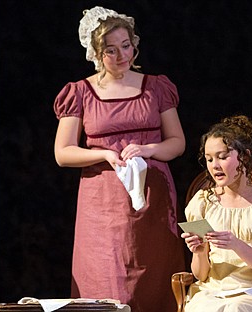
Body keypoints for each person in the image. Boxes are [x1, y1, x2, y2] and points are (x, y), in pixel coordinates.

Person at [53, 6, 185, 311]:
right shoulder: (80, 92)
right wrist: (104, 154)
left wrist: (148, 149)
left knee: (154, 275)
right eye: (111, 50)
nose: (122, 55)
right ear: (96, 53)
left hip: (153, 195)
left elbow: (177, 143)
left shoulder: (156, 88)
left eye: (126, 46)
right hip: (102, 202)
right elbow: (63, 153)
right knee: (106, 279)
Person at [181, 115, 252, 312]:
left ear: (244, 156)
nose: (214, 165)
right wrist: (200, 253)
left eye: (222, 156)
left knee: (238, 309)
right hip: (214, 291)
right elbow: (201, 275)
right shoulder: (201, 203)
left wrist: (236, 244)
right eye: (209, 159)